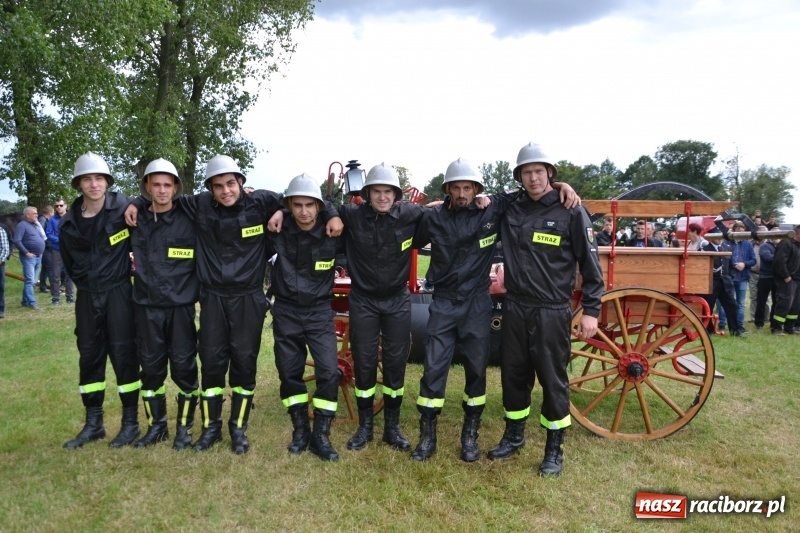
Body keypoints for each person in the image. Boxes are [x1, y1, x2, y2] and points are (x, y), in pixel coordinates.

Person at [126, 155, 342, 454]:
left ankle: (238, 429)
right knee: (211, 362)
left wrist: (330, 212)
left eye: (231, 183)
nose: (226, 190)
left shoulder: (261, 202)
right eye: (218, 186)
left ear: (241, 181)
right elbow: (162, 196)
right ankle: (211, 428)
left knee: (244, 362)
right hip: (213, 298)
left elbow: (300, 199)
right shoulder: (198, 205)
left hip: (248, 298)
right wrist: (136, 202)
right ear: (209, 189)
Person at [411, 153, 579, 462]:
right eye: (456, 188)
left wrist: (561, 185)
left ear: (477, 188)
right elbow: (404, 229)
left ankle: (470, 435)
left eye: (468, 187)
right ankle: (427, 436)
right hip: (444, 302)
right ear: (447, 189)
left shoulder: (493, 208)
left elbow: (533, 187)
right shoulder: (431, 218)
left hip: (477, 303)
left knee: (477, 370)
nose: (462, 194)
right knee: (433, 369)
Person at [486, 143, 603, 477]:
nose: (533, 178)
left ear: (550, 173)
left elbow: (591, 265)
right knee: (513, 375)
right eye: (527, 172)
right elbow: (483, 201)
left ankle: (554, 449)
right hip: (516, 306)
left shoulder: (571, 210)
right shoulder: (511, 207)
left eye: (539, 171)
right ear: (520, 177)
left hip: (551, 310)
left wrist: (591, 309)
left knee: (553, 380)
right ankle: (514, 436)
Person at [336, 163, 423, 453]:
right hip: (363, 300)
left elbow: (441, 214)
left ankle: (392, 427)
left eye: (388, 191)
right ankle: (365, 427)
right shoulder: (352, 215)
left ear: (396, 195)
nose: (382, 197)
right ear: (367, 194)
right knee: (364, 361)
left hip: (397, 300)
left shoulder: (410, 214)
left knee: (396, 363)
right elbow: (324, 209)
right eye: (377, 191)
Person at [60, 152, 141, 448]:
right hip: (87, 297)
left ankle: (130, 423)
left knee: (124, 355)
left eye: (99, 179)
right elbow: (69, 264)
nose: (94, 184)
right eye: (87, 179)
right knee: (89, 356)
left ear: (107, 182)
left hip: (119, 294)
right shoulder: (68, 222)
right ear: (78, 184)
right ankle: (94, 423)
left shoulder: (123, 207)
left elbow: (149, 203)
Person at [268, 174, 343, 461]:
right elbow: (254, 201)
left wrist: (333, 212)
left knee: (329, 372)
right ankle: (300, 429)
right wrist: (278, 209)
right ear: (289, 206)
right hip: (286, 311)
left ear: (318, 206)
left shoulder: (333, 231)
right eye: (297, 205)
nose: (304, 211)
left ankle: (321, 434)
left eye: (310, 205)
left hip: (319, 312)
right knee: (289, 373)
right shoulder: (277, 229)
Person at [129, 159, 200, 449]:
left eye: (167, 185)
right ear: (147, 186)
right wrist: (134, 203)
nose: (161, 190)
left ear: (175, 187)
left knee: (184, 367)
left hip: (180, 308)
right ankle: (156, 427)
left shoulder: (190, 217)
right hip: (146, 308)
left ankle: (184, 428)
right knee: (151, 369)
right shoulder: (134, 218)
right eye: (156, 184)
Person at [702, 233, 744, 336]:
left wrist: (730, 277)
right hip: (711, 282)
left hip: (725, 282)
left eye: (720, 236)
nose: (719, 238)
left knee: (732, 306)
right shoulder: (704, 249)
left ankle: (735, 330)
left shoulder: (727, 247)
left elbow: (731, 265)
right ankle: (709, 330)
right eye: (716, 236)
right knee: (708, 306)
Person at [14, 206, 47, 311]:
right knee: (30, 280)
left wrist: (41, 252)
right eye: (34, 213)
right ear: (27, 215)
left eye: (36, 213)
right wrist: (26, 252)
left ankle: (25, 302)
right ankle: (32, 303)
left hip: (38, 256)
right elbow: (17, 241)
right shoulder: (22, 225)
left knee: (32, 281)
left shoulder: (35, 225)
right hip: (29, 258)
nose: (37, 215)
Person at [770, 225, 800, 335]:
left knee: (795, 305)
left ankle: (790, 327)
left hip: (797, 279)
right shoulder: (786, 243)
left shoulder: (798, 245)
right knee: (784, 303)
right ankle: (777, 328)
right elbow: (780, 261)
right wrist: (786, 276)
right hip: (787, 279)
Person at [728, 221, 756, 330]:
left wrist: (744, 264)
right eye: (738, 228)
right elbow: (724, 258)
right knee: (727, 302)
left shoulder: (748, 244)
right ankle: (722, 325)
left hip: (743, 277)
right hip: (730, 277)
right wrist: (734, 264)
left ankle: (739, 326)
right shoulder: (728, 243)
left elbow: (753, 260)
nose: (740, 230)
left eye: (742, 228)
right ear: (734, 230)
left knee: (741, 303)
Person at [45, 198, 74, 305]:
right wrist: (59, 239)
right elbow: (48, 234)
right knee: (55, 274)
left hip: (69, 249)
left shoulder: (72, 218)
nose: (59, 207)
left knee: (69, 274)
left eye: (61, 205)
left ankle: (69, 296)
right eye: (56, 206)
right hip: (56, 250)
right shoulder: (52, 220)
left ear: (66, 206)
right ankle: (55, 298)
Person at [755, 227, 781, 329]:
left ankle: (773, 322)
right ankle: (759, 322)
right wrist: (782, 259)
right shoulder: (765, 245)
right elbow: (767, 257)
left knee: (776, 301)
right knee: (761, 301)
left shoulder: (783, 246)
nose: (776, 236)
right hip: (765, 277)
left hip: (777, 278)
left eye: (779, 234)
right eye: (774, 234)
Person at [749, 225, 768, 322]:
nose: (760, 234)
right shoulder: (751, 244)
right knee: (753, 296)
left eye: (762, 232)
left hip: (765, 274)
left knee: (766, 298)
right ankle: (753, 317)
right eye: (759, 232)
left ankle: (766, 317)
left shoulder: (769, 244)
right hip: (753, 273)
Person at [38, 205, 54, 294]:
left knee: (45, 268)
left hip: (46, 247)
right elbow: (40, 233)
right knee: (50, 267)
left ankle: (43, 287)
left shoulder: (45, 220)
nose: (54, 213)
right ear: (50, 212)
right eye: (53, 212)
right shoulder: (43, 220)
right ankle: (53, 287)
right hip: (45, 248)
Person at [0, 221, 10, 319]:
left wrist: (1, 259)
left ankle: (0, 310)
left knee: (0, 287)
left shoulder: (0, 230)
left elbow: (5, 248)